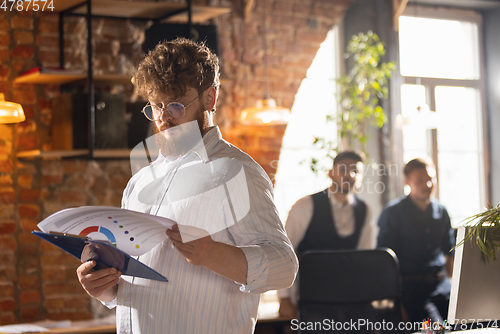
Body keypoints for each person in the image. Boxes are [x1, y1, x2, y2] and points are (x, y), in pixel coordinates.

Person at [75, 38, 298, 334]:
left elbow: (284, 267)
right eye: (156, 106)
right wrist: (102, 286)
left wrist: (213, 254)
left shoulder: (238, 172)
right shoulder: (139, 182)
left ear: (210, 99)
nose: (163, 119)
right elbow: (129, 286)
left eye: (176, 106)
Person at [277, 150, 377, 318]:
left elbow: (363, 257)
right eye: (343, 169)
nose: (349, 175)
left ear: (361, 178)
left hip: (350, 299)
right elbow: (284, 252)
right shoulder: (305, 206)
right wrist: (284, 298)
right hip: (311, 297)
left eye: (355, 171)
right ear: (331, 173)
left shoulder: (364, 210)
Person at [377, 158, 455, 324]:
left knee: (475, 322)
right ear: (407, 182)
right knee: (436, 329)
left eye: (430, 179)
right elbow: (383, 261)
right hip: (412, 292)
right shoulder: (393, 213)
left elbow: (451, 252)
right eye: (420, 180)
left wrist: (456, 289)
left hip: (442, 287)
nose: (427, 185)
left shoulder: (441, 211)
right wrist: (397, 303)